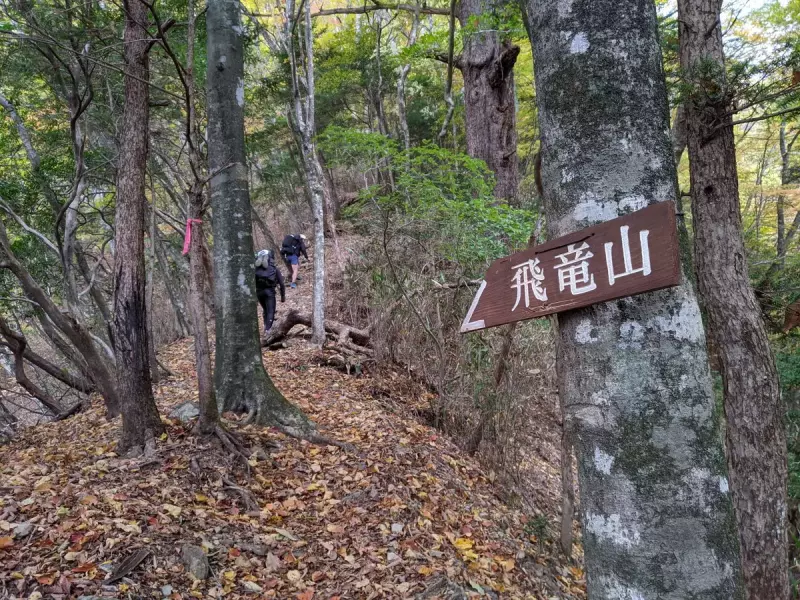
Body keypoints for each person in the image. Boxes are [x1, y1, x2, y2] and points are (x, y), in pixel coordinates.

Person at [255, 249, 285, 334]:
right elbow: (281, 283)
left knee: (265, 310)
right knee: (270, 311)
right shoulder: (274, 268)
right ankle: (268, 330)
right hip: (269, 291)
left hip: (259, 292)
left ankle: (266, 326)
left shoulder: (255, 269)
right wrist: (283, 296)